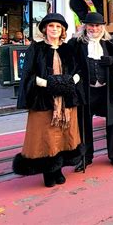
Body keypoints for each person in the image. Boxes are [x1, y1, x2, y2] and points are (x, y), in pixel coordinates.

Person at [12, 13, 84, 188]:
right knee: (46, 136)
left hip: (66, 100)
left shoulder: (69, 49)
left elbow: (78, 70)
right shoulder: (36, 48)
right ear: (45, 29)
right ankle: (48, 172)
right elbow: (28, 74)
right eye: (51, 26)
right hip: (43, 100)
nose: (54, 30)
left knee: (63, 135)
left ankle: (58, 169)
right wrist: (46, 83)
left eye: (58, 27)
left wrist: (70, 81)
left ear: (63, 30)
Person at [68, 12, 113, 171]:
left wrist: (112, 61)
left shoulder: (110, 42)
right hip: (86, 91)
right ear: (85, 26)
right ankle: (86, 157)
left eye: (98, 25)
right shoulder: (76, 43)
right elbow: (69, 65)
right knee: (84, 125)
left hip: (107, 91)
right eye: (91, 25)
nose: (94, 28)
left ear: (103, 27)